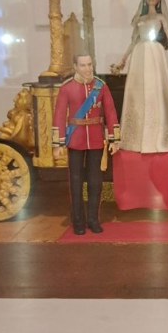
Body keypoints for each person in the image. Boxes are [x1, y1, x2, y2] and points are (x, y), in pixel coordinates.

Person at [116, 0, 168, 153]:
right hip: (140, 54)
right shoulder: (139, 20)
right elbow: (133, 41)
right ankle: (138, 134)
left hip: (155, 53)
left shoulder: (160, 18)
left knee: (155, 89)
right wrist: (123, 59)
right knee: (139, 91)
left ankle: (156, 133)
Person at [52, 54, 119, 235]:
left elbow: (110, 112)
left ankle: (93, 219)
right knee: (75, 182)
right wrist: (57, 143)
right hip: (75, 140)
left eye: (89, 64)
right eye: (83, 65)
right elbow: (59, 115)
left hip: (96, 139)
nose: (87, 68)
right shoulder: (67, 88)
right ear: (75, 67)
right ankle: (78, 221)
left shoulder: (100, 86)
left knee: (95, 182)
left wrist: (113, 139)